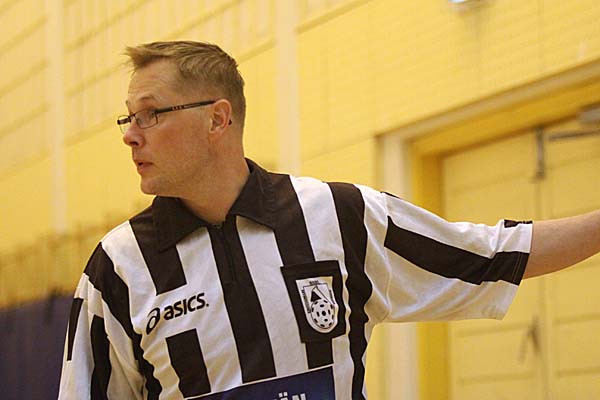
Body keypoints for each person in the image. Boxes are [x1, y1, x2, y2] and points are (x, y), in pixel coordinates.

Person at [58, 41, 600, 400]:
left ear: (217, 119)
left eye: (151, 114)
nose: (131, 135)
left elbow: (489, 254)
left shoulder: (337, 216)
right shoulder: (118, 267)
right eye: (128, 118)